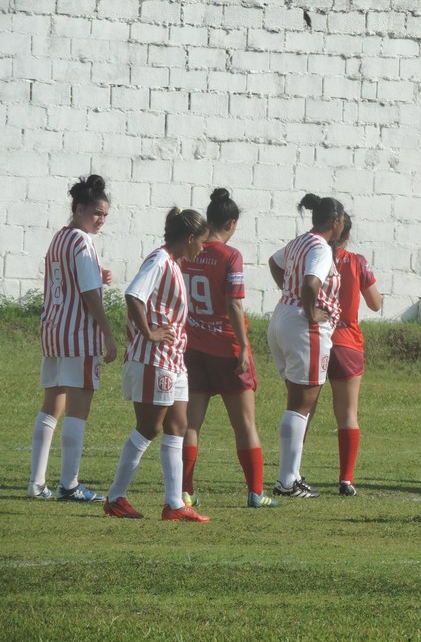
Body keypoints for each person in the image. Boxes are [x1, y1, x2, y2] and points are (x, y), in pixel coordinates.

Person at [103, 208, 210, 522]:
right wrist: (148, 332)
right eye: (201, 242)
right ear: (189, 238)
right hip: (154, 359)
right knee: (149, 428)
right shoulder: (160, 260)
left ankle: (174, 504)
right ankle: (116, 497)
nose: (202, 249)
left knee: (178, 426)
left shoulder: (173, 262)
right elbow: (133, 294)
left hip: (173, 360)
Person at [180, 189, 278, 509]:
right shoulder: (230, 255)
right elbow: (235, 304)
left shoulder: (189, 251)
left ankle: (186, 491)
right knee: (245, 424)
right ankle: (255, 492)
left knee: (191, 424)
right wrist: (244, 347)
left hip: (193, 347)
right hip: (226, 347)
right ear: (231, 223)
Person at [28, 175, 117, 502]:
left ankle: (37, 483)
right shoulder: (83, 241)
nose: (101, 220)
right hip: (79, 335)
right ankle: (69, 484)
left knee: (51, 407)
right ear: (79, 208)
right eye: (96, 213)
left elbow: (68, 278)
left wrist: (99, 274)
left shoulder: (60, 238)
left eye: (105, 215)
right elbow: (88, 291)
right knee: (78, 410)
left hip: (53, 330)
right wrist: (108, 333)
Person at [267, 193, 344, 498]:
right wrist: (310, 310)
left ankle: (293, 474)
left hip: (282, 316)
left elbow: (275, 263)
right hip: (303, 325)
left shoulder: (300, 240)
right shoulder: (321, 247)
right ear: (335, 222)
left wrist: (288, 292)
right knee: (302, 403)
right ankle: (286, 480)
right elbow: (311, 283)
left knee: (299, 399)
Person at [328, 214, 383, 496]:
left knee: (303, 412)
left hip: (315, 338)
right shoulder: (356, 261)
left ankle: (291, 474)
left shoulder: (312, 255)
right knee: (348, 414)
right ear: (347, 234)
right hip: (347, 341)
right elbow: (375, 303)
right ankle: (346, 479)